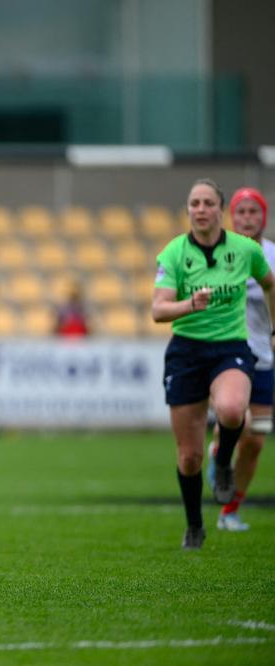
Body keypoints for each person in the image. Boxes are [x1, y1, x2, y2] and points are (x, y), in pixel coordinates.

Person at [152, 178, 275, 550]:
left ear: (220, 210)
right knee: (189, 457)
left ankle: (224, 470)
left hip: (235, 351)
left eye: (208, 203)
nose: (201, 209)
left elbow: (270, 284)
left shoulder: (249, 251)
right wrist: (189, 304)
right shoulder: (174, 252)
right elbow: (158, 310)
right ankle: (195, 524)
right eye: (194, 203)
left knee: (238, 416)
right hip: (187, 352)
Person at [205, 188, 273, 531]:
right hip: (225, 355)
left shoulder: (272, 256)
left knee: (255, 443)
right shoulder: (218, 255)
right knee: (237, 420)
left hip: (263, 358)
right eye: (241, 211)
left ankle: (229, 511)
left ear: (264, 216)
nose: (248, 218)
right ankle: (219, 454)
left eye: (253, 211)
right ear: (232, 217)